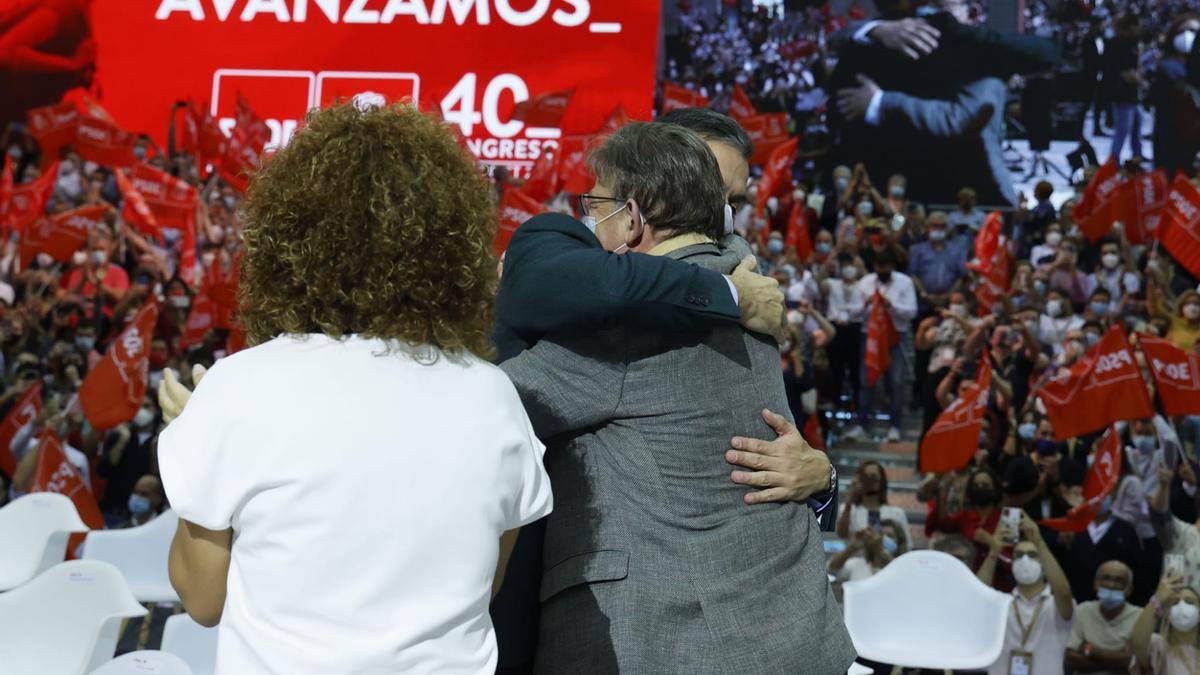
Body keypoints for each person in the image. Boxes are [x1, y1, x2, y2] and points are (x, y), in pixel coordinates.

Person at [157, 103, 555, 673]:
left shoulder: (240, 387)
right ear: (450, 250)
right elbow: (479, 588)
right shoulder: (493, 397)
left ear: (288, 242)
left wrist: (193, 445)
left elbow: (202, 600)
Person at [490, 107, 840, 672]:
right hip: (790, 629)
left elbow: (481, 408)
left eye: (598, 205)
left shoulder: (637, 325)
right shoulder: (745, 294)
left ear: (631, 219)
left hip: (663, 639)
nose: (727, 218)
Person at [986, 512, 1075, 675]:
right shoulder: (1000, 603)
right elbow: (977, 595)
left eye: (1033, 555)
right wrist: (994, 550)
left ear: (1044, 563)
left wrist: (1039, 543)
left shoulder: (1055, 604)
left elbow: (1064, 592)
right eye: (1018, 555)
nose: (1025, 560)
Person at [844, 248, 917, 443]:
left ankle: (894, 427)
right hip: (870, 338)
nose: (881, 270)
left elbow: (912, 312)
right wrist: (866, 304)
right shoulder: (865, 282)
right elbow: (852, 313)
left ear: (892, 267)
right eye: (878, 267)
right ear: (875, 267)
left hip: (894, 338)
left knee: (896, 383)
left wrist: (890, 305)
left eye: (885, 267)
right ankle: (862, 425)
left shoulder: (905, 282)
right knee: (866, 383)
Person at [1064, 561, 1139, 674]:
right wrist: (1117, 659)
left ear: (1129, 589)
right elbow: (1070, 658)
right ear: (1096, 583)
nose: (1111, 585)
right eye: (1106, 578)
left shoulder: (1140, 616)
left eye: (1119, 580)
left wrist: (1091, 651)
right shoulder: (1083, 610)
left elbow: (1134, 663)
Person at [1151, 15, 1200, 178]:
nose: (1188, 35)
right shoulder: (1166, 67)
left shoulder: (1193, 68)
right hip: (1171, 140)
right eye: (1184, 30)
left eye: (1193, 30)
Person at [1130, 573, 1200, 674]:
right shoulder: (1158, 645)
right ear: (1166, 613)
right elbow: (1138, 643)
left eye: (1189, 602)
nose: (1182, 606)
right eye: (1174, 603)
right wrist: (1158, 597)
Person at [836, 459, 913, 550]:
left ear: (881, 480)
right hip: (856, 560)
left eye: (874, 476)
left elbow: (907, 546)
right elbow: (842, 534)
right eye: (866, 477)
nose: (870, 481)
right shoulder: (849, 509)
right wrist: (850, 500)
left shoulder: (897, 513)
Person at [906, 210, 967, 313]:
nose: (938, 229)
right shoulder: (916, 250)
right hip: (923, 303)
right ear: (928, 227)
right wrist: (925, 295)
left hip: (949, 304)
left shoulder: (957, 251)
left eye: (942, 226)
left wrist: (948, 296)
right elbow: (912, 275)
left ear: (947, 228)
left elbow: (961, 277)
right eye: (934, 226)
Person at [1104, 14, 1146, 162]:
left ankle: (1137, 155)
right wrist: (1142, 82)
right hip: (1122, 93)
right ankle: (1113, 160)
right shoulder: (1118, 44)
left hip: (1131, 94)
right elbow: (1124, 72)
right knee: (1122, 129)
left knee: (1137, 125)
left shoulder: (1132, 44)